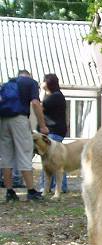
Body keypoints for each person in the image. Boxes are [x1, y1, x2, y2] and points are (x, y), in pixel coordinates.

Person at [0, 70, 48, 202]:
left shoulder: (6, 85)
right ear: (29, 75)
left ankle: (9, 192)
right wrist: (42, 125)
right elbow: (35, 103)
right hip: (19, 119)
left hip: (3, 120)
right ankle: (31, 191)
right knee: (24, 152)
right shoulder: (30, 83)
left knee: (6, 156)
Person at [39, 73, 68, 194]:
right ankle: (62, 186)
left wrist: (41, 91)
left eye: (43, 81)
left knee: (49, 160)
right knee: (57, 159)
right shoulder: (59, 96)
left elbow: (40, 107)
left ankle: (45, 186)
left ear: (47, 83)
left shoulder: (53, 98)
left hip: (53, 131)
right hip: (58, 130)